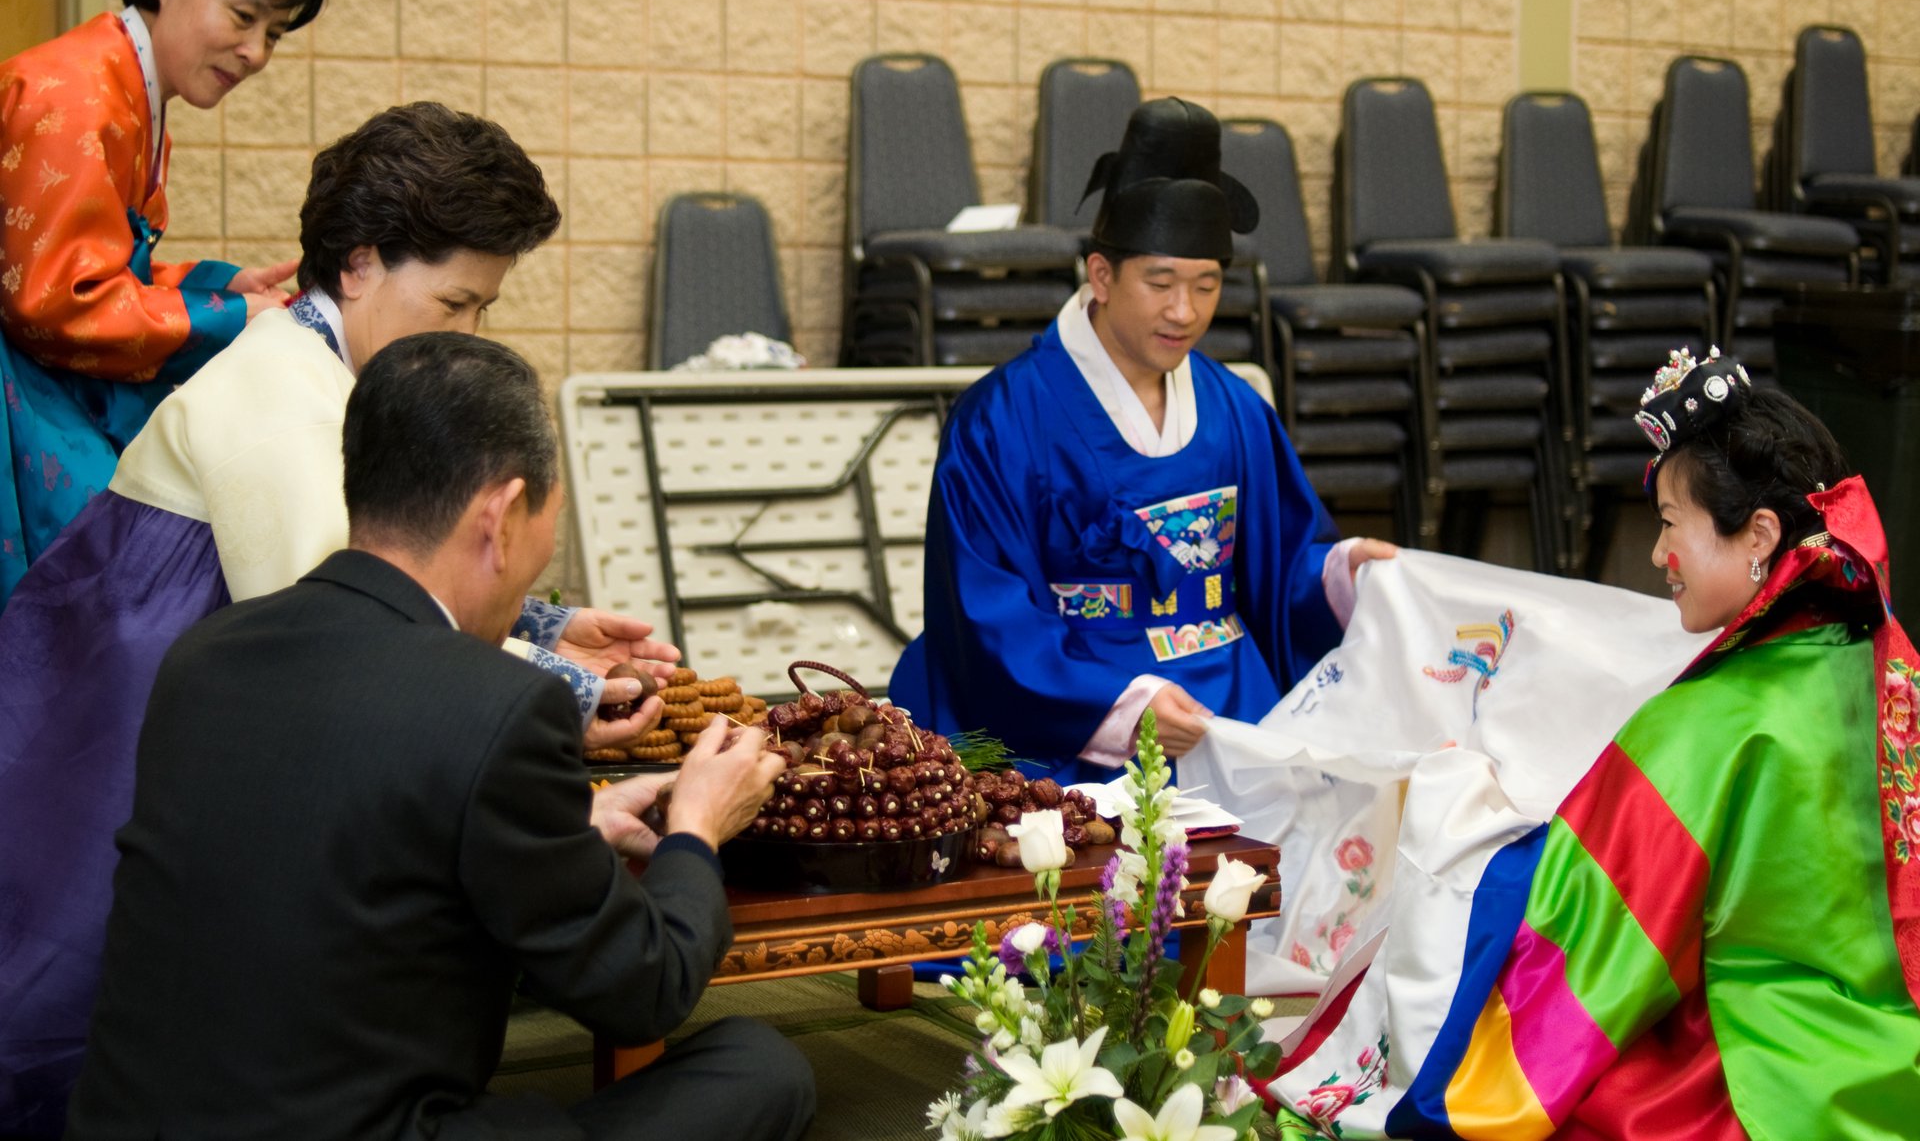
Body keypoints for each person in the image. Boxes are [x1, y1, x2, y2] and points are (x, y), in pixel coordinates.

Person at [0, 102, 662, 1135]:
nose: (466, 334)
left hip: (170, 702)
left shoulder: (331, 374)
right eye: (454, 301)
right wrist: (562, 684)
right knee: (79, 996)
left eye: (481, 307)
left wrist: (540, 625)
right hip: (109, 724)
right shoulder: (278, 391)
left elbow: (384, 578)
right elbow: (351, 647)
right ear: (358, 264)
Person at [65, 332, 813, 1140]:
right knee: (758, 1065)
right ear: (502, 515)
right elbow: (643, 990)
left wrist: (569, 826)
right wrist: (697, 828)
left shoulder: (204, 655)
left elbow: (327, 850)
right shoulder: (499, 702)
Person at [1260, 347, 1920, 1138]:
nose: (1658, 555)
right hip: (1883, 1042)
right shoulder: (1884, 659)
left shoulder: (1714, 721)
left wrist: (1461, 815)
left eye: (1670, 524)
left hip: (1760, 1057)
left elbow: (1602, 934)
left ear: (1760, 535)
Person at [889, 97, 1394, 782]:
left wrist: (1342, 570)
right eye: (1160, 283)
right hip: (1079, 718)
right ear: (1102, 276)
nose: (1184, 312)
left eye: (1206, 286)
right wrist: (1122, 707)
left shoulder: (1235, 408)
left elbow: (1281, 568)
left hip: (1235, 711)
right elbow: (987, 613)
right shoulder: (1000, 420)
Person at [0, 0, 326, 602]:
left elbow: (89, 266)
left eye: (273, 33)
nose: (256, 52)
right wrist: (228, 315)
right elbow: (51, 301)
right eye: (243, 15)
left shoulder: (120, 87)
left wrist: (219, 288)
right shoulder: (76, 95)